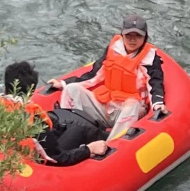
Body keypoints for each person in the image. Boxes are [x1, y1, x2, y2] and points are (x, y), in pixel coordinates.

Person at [51, 14, 168, 144]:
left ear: (145, 37)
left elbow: (155, 83)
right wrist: (64, 83)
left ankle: (110, 147)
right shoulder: (114, 49)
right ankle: (67, 131)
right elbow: (94, 74)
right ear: (122, 34)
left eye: (137, 36)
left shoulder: (151, 59)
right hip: (106, 104)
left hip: (130, 109)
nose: (132, 40)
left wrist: (158, 105)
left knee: (133, 105)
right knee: (72, 89)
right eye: (128, 35)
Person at [3, 61, 108, 166]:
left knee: (59, 121)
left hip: (36, 142)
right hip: (45, 156)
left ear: (5, 88)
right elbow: (59, 158)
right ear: (31, 91)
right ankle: (107, 137)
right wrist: (89, 149)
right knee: (80, 128)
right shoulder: (34, 121)